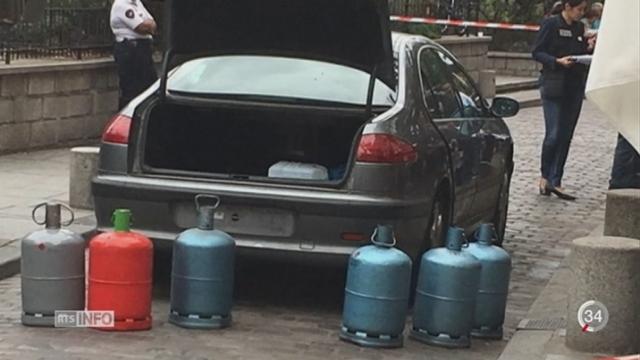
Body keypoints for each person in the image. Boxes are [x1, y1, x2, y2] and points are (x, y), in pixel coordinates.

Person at [532, 0, 594, 200]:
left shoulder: (579, 28)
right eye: (579, 9)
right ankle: (544, 175)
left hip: (573, 87)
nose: (581, 13)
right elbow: (537, 52)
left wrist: (589, 49)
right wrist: (556, 62)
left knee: (566, 135)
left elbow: (581, 52)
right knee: (554, 134)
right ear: (568, 7)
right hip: (553, 85)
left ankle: (556, 180)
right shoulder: (551, 24)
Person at [110, 0, 158, 109]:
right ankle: (126, 120)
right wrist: (148, 25)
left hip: (143, 50)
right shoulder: (121, 5)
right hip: (130, 51)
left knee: (150, 88)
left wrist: (149, 25)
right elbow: (141, 27)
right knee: (131, 90)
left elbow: (153, 22)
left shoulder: (137, 3)